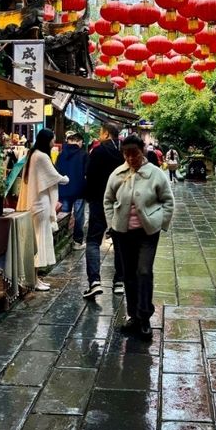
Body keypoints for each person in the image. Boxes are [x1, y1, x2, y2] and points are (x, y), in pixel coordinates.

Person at [104, 133, 174, 340]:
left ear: (142, 150)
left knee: (144, 272)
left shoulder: (155, 174)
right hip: (123, 233)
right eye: (126, 154)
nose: (130, 158)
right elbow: (107, 200)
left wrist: (160, 221)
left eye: (134, 153)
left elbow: (168, 200)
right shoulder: (117, 174)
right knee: (129, 275)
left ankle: (144, 317)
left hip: (147, 233)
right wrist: (112, 223)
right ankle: (133, 315)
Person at [20, 128, 69, 292]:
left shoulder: (32, 155)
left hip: (36, 204)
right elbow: (55, 177)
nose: (54, 143)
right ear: (47, 140)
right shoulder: (41, 156)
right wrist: (67, 178)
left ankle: (35, 278)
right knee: (38, 242)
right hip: (40, 205)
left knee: (35, 240)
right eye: (53, 139)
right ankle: (33, 280)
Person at [83, 122, 125, 299]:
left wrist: (89, 196)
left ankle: (94, 282)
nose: (99, 135)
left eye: (101, 132)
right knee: (120, 241)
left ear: (107, 134)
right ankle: (119, 282)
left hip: (99, 202)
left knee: (93, 241)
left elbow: (89, 176)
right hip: (121, 202)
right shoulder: (124, 152)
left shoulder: (98, 151)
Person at [55, 131, 88, 250]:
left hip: (63, 189)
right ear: (79, 142)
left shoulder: (61, 155)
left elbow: (56, 171)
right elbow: (86, 173)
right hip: (79, 190)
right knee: (79, 216)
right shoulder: (83, 154)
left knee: (64, 215)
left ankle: (63, 240)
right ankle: (77, 242)